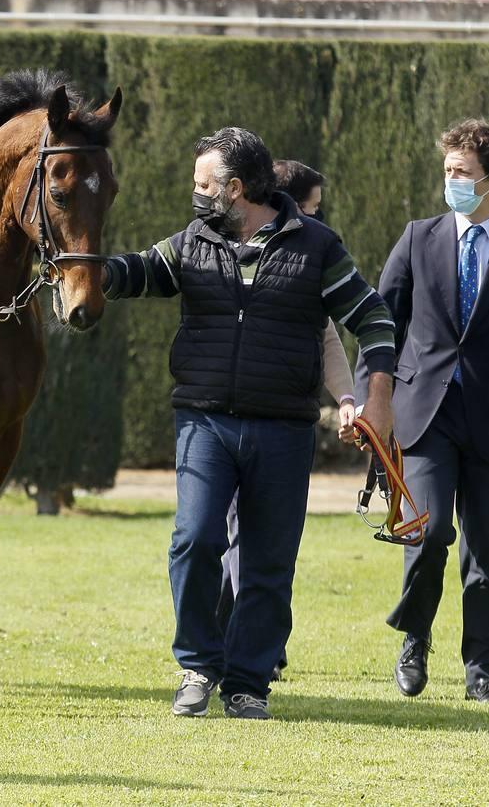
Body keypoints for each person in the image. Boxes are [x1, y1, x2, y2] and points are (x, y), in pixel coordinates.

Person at [102, 127, 396, 720]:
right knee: (194, 540)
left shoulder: (318, 246)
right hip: (204, 423)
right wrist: (78, 267)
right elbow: (133, 272)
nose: (195, 194)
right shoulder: (191, 242)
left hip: (283, 431)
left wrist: (378, 402)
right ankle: (196, 665)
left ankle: (247, 684)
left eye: (203, 184)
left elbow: (375, 319)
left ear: (235, 189)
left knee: (267, 562)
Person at [355, 119, 489, 704]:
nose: (451, 181)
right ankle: (414, 637)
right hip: (423, 413)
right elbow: (380, 324)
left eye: (463, 173)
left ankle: (484, 674)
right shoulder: (418, 238)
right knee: (426, 534)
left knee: (486, 551)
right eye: (447, 170)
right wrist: (372, 400)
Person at [214, 159, 356, 681]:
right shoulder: (237, 245)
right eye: (313, 206)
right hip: (231, 420)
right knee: (235, 543)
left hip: (281, 424)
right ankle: (235, 648)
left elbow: (327, 336)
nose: (317, 217)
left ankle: (255, 647)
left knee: (260, 545)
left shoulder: (310, 254)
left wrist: (347, 398)